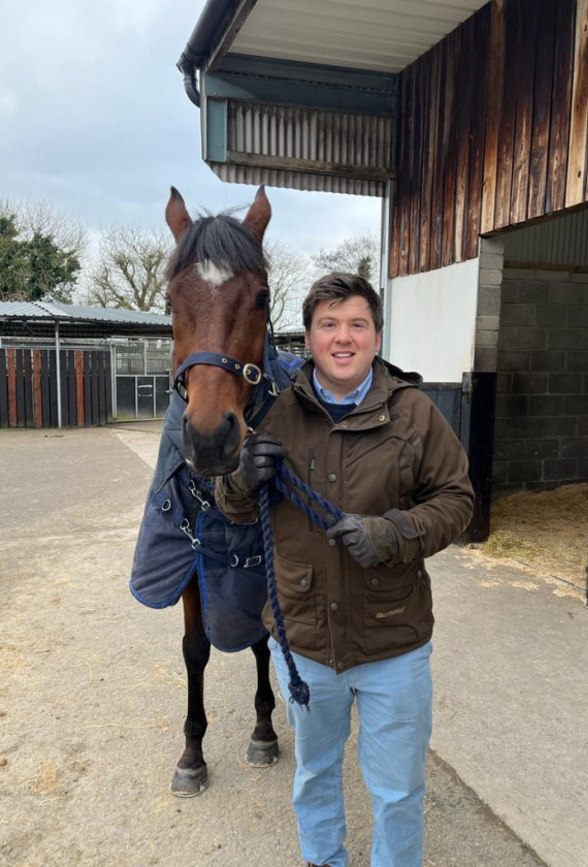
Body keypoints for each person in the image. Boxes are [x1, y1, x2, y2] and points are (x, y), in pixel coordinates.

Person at [214, 272, 474, 867]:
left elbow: (458, 500)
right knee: (315, 772)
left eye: (357, 324)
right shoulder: (274, 415)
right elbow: (236, 506)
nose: (343, 337)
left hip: (393, 643)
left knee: (398, 789)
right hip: (305, 641)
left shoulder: (415, 414)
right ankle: (322, 858)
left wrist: (393, 532)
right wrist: (241, 478)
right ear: (308, 338)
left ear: (376, 336)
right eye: (328, 325)